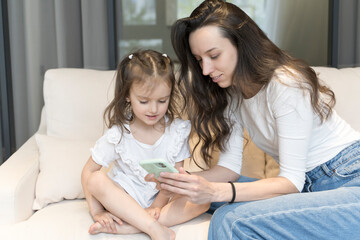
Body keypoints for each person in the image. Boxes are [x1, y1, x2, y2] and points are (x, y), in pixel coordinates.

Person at [150, 0, 360, 239]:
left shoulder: (286, 83)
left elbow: (291, 180)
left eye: (214, 55)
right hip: (308, 188)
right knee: (198, 195)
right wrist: (181, 183)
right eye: (199, 60)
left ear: (242, 44)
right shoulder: (231, 93)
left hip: (349, 182)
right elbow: (229, 170)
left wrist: (215, 191)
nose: (206, 69)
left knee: (232, 220)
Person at [81, 49, 210, 240]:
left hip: (163, 199)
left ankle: (132, 227)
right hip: (125, 200)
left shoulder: (177, 131)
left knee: (203, 199)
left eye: (162, 101)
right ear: (127, 96)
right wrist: (96, 211)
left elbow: (174, 181)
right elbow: (87, 173)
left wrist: (157, 206)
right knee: (96, 179)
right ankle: (153, 228)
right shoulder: (118, 135)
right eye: (143, 101)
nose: (153, 109)